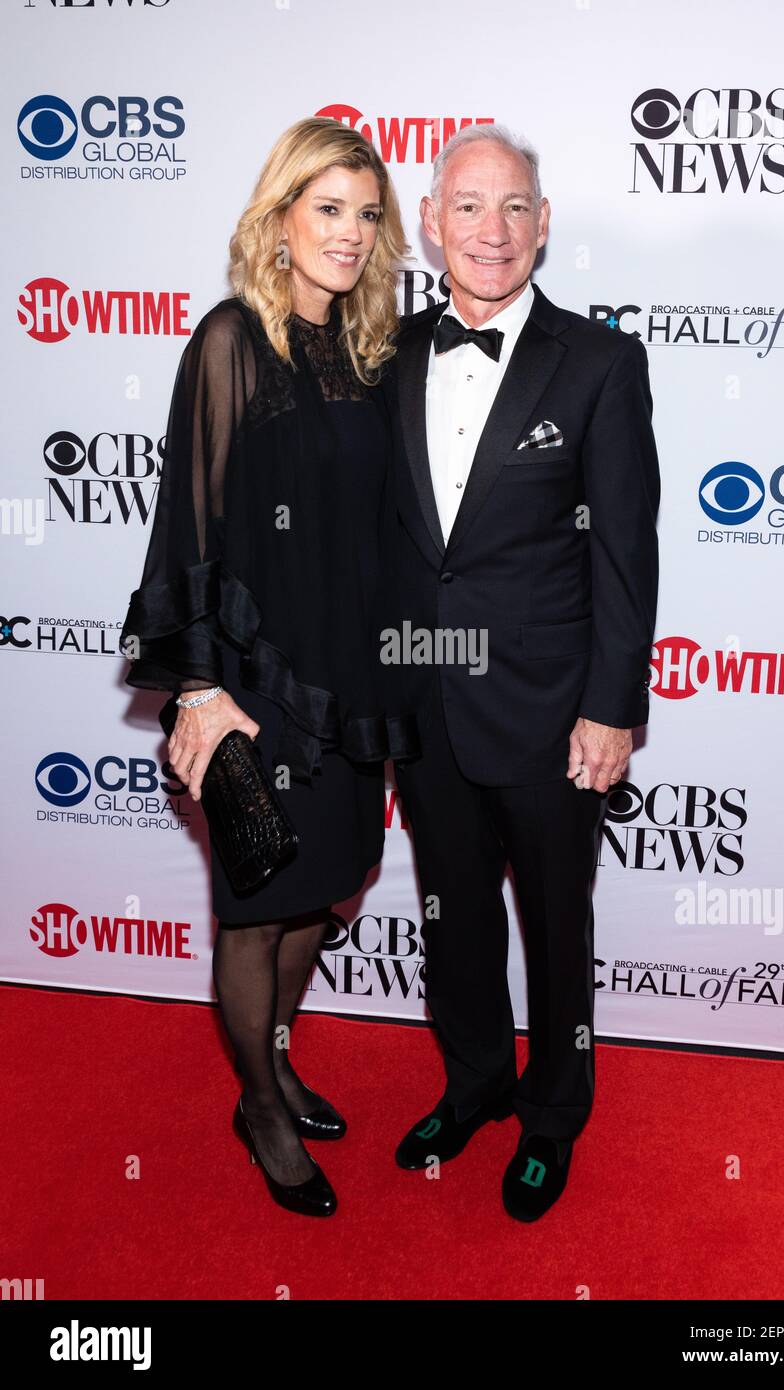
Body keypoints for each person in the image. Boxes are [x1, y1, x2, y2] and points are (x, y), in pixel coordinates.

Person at [120, 116, 418, 1218]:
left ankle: (279, 1058)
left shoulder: (369, 351)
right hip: (253, 683)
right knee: (257, 909)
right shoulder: (232, 340)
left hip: (350, 679)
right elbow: (186, 526)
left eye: (367, 215)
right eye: (328, 209)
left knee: (321, 892)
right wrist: (198, 688)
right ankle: (258, 1105)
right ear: (282, 216)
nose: (349, 234)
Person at [382, 123, 660, 1221]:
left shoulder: (600, 362)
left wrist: (613, 706)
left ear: (544, 227)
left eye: (513, 209)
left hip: (552, 711)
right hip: (425, 698)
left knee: (556, 920)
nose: (490, 232)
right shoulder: (390, 354)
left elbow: (625, 551)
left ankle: (553, 1113)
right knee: (452, 915)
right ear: (430, 223)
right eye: (467, 206)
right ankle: (476, 1079)